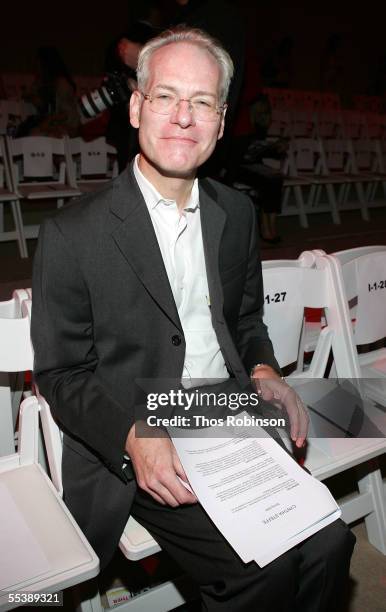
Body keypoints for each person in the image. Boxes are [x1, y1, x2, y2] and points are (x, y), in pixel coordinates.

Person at [32, 27, 355, 611]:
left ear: (222, 120)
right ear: (135, 106)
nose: (183, 117)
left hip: (221, 412)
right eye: (165, 97)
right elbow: (60, 374)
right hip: (136, 423)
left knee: (332, 546)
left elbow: (248, 319)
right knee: (262, 573)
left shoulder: (235, 211)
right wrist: (132, 433)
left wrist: (262, 369)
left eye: (202, 102)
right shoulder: (72, 235)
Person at [18, 46, 79, 138]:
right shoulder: (41, 82)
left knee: (35, 135)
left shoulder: (61, 84)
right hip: (49, 124)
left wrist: (50, 120)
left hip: (65, 127)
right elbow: (43, 104)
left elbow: (68, 114)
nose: (36, 66)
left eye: (38, 62)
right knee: (25, 132)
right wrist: (30, 96)